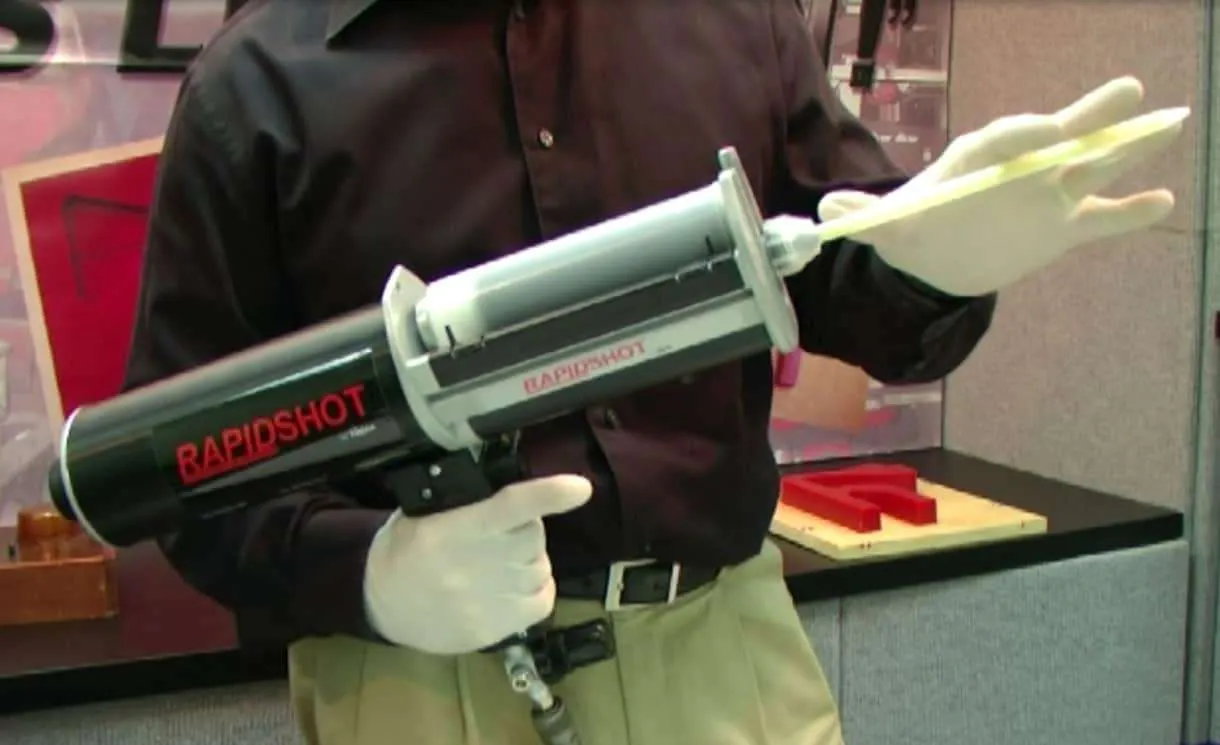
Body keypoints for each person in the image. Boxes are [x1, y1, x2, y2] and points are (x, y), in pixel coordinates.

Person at [123, 1, 1183, 744]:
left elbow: (848, 273)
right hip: (419, 691)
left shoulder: (731, 18)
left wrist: (938, 264)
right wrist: (366, 571)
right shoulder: (257, 83)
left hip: (725, 662)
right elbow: (186, 477)